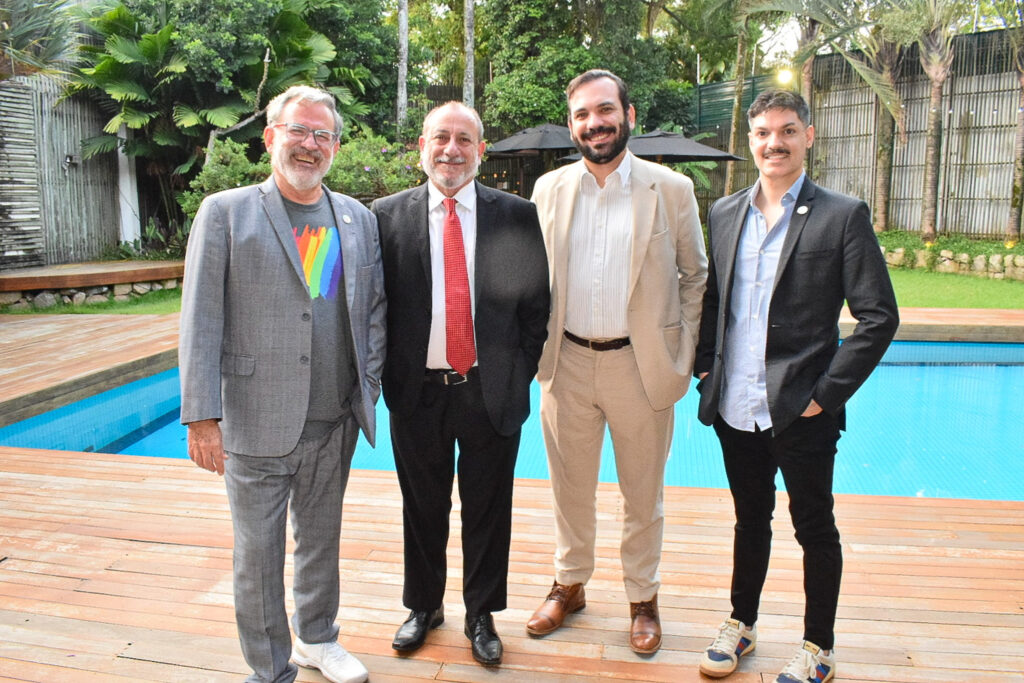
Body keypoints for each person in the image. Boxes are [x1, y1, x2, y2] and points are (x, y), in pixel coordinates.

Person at [179, 85, 385, 683]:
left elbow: (369, 310)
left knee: (321, 543)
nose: (310, 144)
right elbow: (201, 318)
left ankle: (319, 639)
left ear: (337, 147)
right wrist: (201, 415)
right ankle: (270, 669)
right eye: (299, 130)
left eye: (323, 135)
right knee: (258, 558)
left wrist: (364, 388)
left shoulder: (357, 218)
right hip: (256, 417)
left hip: (333, 421)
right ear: (271, 136)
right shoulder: (225, 212)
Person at [694, 89, 899, 682]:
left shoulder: (842, 215)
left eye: (786, 130)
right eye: (762, 132)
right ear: (750, 139)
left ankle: (819, 646)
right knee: (748, 519)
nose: (773, 143)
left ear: (808, 136)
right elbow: (715, 300)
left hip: (801, 410)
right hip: (735, 405)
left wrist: (823, 395)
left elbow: (878, 316)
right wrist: (707, 367)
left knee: (814, 527)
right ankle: (742, 623)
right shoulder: (725, 212)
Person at [526, 69, 708, 655]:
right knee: (569, 487)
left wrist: (681, 357)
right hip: (568, 363)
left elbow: (694, 275)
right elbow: (532, 280)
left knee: (642, 493)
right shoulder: (548, 190)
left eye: (604, 110)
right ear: (572, 124)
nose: (593, 123)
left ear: (629, 115)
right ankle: (571, 583)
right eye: (581, 114)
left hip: (641, 367)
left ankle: (642, 597)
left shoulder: (671, 189)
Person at [371, 101, 550, 667]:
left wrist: (515, 373)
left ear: (480, 149)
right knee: (421, 506)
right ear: (421, 146)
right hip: (416, 391)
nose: (452, 149)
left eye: (464, 139)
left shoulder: (516, 215)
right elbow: (370, 305)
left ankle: (481, 612)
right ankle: (423, 607)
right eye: (441, 138)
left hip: (488, 389)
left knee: (488, 507)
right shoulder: (384, 217)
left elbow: (535, 307)